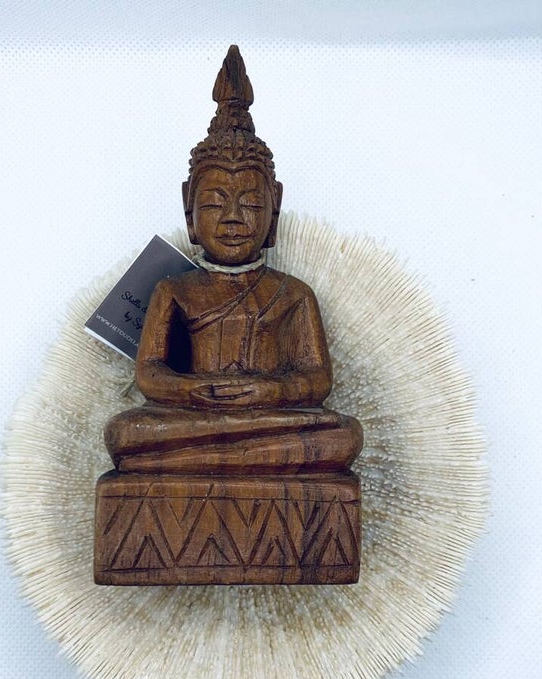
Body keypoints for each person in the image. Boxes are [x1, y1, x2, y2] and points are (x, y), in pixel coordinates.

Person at [104, 45, 362, 475]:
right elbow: (149, 373)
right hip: (195, 415)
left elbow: (317, 379)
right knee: (125, 432)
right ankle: (241, 458)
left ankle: (201, 460)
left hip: (269, 417)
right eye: (213, 203)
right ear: (188, 210)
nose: (232, 218)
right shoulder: (174, 290)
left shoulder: (293, 294)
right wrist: (193, 391)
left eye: (251, 204)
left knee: (343, 434)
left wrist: (267, 392)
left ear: (274, 212)